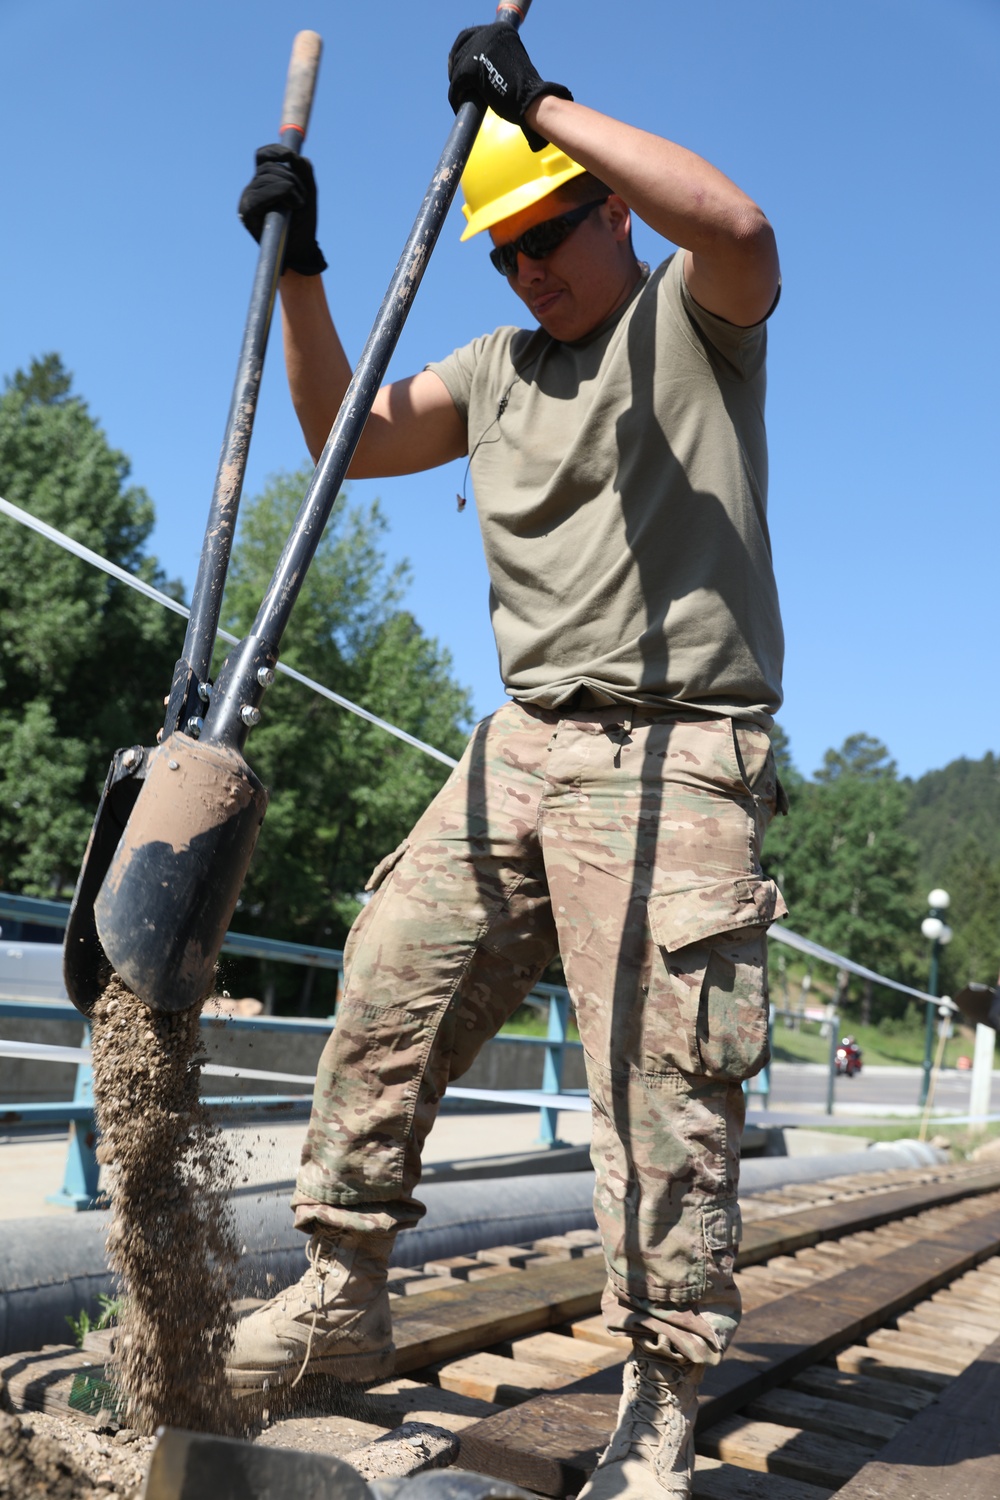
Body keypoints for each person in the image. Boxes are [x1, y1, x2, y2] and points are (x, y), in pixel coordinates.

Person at [230, 22, 787, 1498]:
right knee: (386, 976)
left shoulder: (694, 322)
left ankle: (662, 1394)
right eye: (504, 249)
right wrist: (302, 266)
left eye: (550, 231)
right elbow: (343, 439)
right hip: (522, 744)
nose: (531, 267)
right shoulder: (493, 370)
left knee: (660, 1085)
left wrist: (541, 106)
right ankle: (341, 1292)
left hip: (675, 746)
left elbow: (737, 225)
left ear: (609, 208)